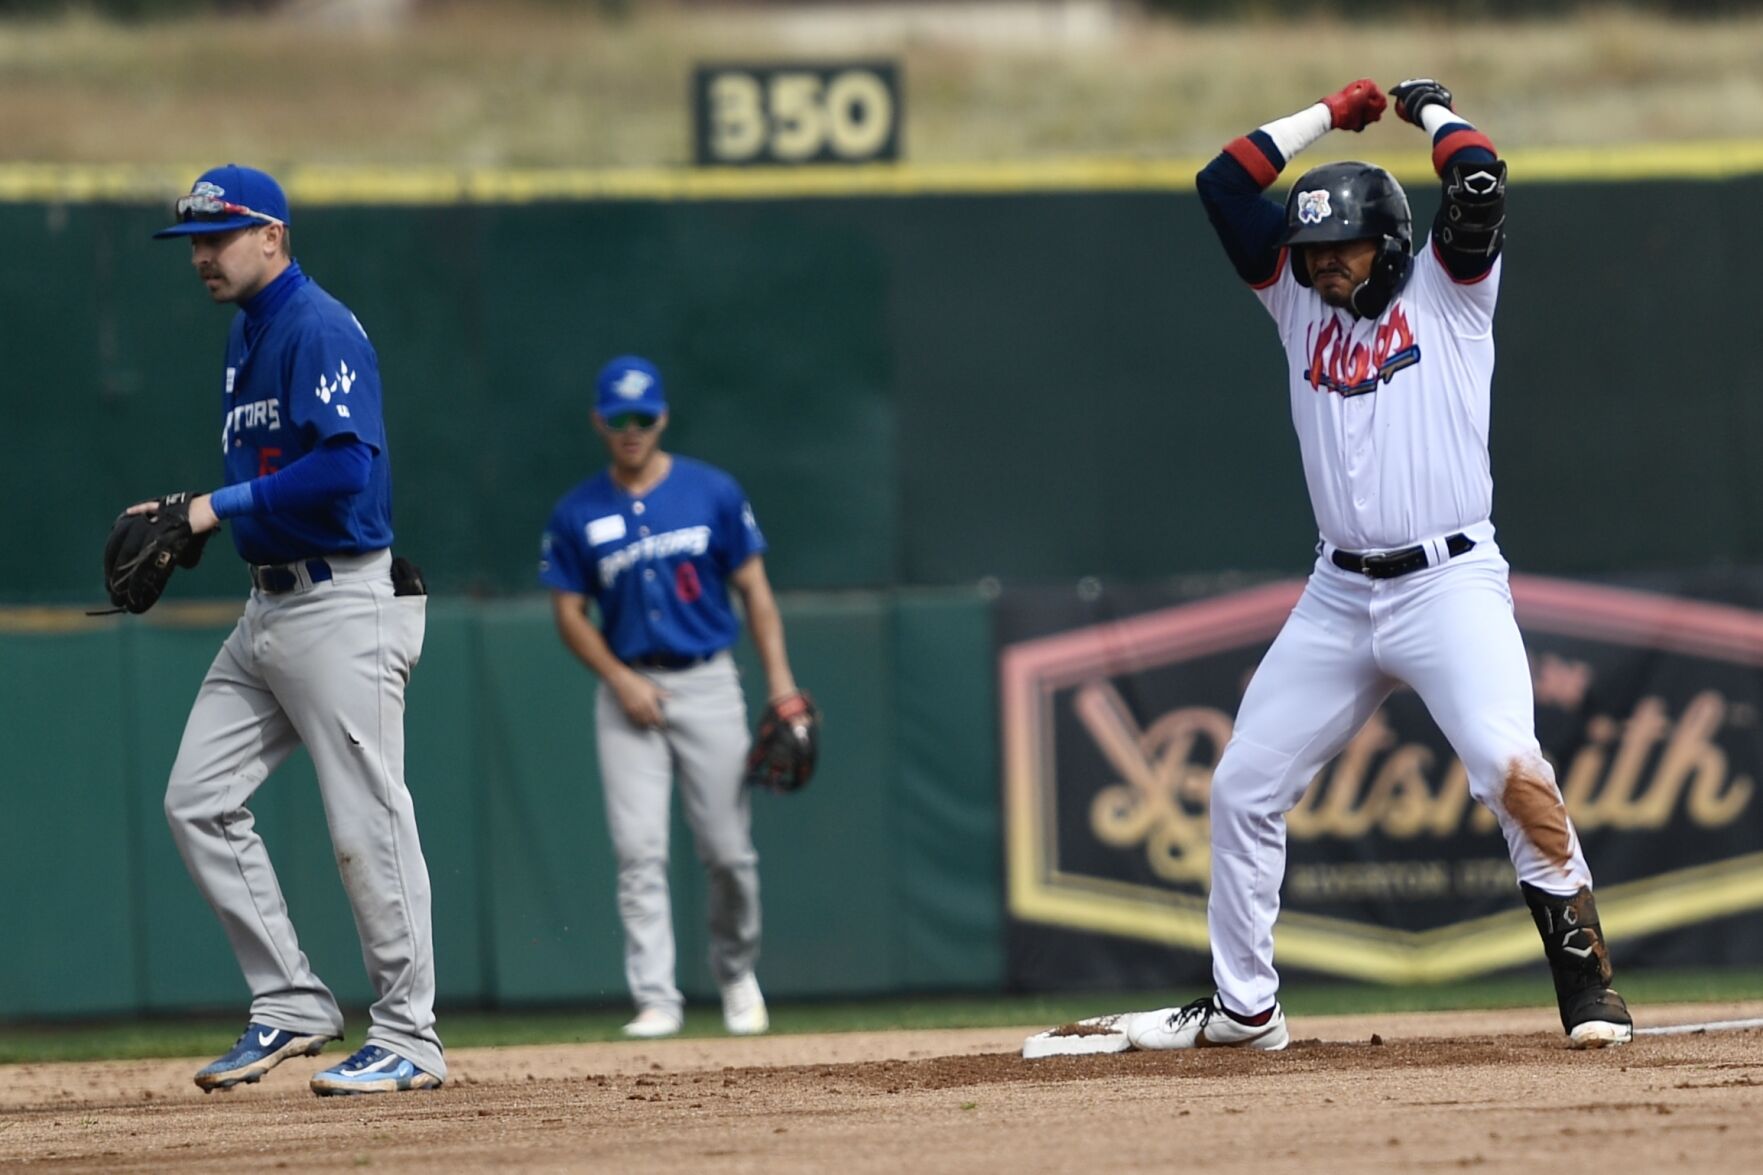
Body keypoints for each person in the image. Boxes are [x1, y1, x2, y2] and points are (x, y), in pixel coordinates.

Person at [1125, 80, 1633, 1051]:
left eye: (1337, 248)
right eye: (1309, 251)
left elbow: (1476, 180)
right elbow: (1221, 185)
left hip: (1447, 583)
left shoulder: (1449, 292)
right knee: (1241, 788)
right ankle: (1244, 1008)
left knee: (1507, 765)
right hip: (1336, 592)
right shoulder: (1291, 303)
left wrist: (1427, 110)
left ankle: (1585, 985)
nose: (1317, 266)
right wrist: (1325, 111)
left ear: (1387, 243)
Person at [141, 165, 446, 1094]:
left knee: (367, 816)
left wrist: (212, 507)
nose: (203, 253)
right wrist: (214, 527)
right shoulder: (247, 333)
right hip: (271, 606)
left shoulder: (316, 325)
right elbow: (280, 476)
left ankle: (409, 1034)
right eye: (195, 239)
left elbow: (347, 465)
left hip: (343, 602)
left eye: (221, 234)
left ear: (272, 235)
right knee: (196, 797)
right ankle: (291, 1001)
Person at [539, 356, 803, 1039]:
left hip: (708, 680)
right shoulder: (577, 510)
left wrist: (780, 684)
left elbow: (756, 591)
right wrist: (620, 679)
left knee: (728, 852)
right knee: (638, 850)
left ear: (661, 417)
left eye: (643, 416)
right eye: (618, 417)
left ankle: (735, 970)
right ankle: (656, 997)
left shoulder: (711, 491)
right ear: (599, 421)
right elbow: (568, 612)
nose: (631, 429)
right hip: (627, 686)